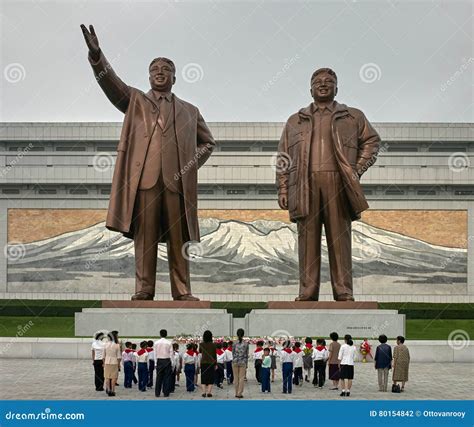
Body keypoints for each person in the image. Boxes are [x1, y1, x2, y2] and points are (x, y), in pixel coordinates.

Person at [80, 25, 216, 302]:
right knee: (145, 239)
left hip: (176, 184)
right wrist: (97, 56)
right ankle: (144, 289)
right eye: (155, 70)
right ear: (149, 76)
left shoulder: (190, 111)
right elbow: (112, 85)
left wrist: (188, 168)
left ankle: (182, 290)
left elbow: (208, 143)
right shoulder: (135, 102)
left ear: (174, 78)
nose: (160, 74)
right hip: (145, 182)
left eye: (166, 70)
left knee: (179, 241)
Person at [276, 67, 381, 302]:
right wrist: (283, 188)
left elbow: (372, 142)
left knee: (339, 238)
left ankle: (343, 291)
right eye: (318, 82)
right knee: (307, 239)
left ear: (336, 88)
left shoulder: (353, 116)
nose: (323, 84)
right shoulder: (295, 120)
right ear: (310, 89)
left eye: (329, 81)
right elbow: (283, 156)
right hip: (304, 184)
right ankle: (307, 291)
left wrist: (355, 169)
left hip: (338, 182)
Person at [154, 329, 174, 398]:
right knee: (167, 377)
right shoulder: (169, 343)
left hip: (159, 360)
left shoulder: (156, 343)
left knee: (159, 377)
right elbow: (171, 354)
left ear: (160, 334)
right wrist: (172, 363)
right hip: (167, 360)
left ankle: (157, 393)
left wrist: (155, 363)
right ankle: (166, 392)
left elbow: (155, 354)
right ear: (166, 334)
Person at [199, 330, 217, 397]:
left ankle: (204, 392)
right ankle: (209, 392)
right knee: (210, 377)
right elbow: (215, 355)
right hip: (211, 363)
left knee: (203, 377)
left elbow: (200, 353)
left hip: (203, 362)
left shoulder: (201, 344)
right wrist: (216, 364)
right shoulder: (213, 345)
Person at [232, 328, 249, 399]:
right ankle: (239, 393)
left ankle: (236, 392)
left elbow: (233, 353)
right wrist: (246, 363)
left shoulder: (234, 343)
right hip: (243, 362)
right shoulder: (246, 344)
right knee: (241, 378)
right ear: (243, 334)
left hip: (235, 361)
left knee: (236, 378)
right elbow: (247, 354)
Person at [103, 331, 121, 397]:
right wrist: (119, 364)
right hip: (114, 362)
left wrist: (103, 362)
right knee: (114, 377)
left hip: (107, 361)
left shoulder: (105, 344)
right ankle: (112, 390)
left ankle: (108, 388)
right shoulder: (117, 345)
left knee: (107, 376)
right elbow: (119, 356)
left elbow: (103, 355)